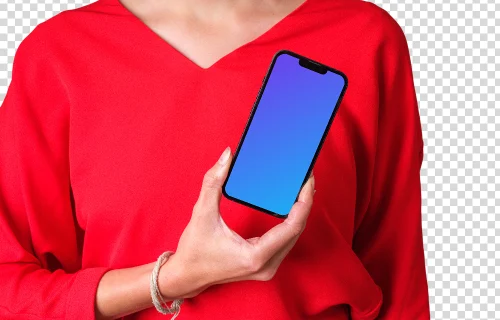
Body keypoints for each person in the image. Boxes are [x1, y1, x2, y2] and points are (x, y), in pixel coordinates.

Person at [0, 0, 430, 319]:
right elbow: (10, 290)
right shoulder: (60, 54)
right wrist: (171, 280)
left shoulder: (364, 38)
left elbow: (397, 277)